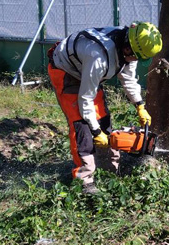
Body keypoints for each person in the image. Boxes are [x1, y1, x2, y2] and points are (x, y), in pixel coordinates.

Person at [47, 22, 163, 194]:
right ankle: (84, 182)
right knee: (82, 126)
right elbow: (85, 98)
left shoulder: (130, 48)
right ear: (127, 49)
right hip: (66, 71)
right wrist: (95, 132)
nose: (136, 61)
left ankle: (109, 170)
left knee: (103, 120)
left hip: (85, 70)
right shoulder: (99, 57)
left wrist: (140, 106)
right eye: (136, 57)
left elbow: (129, 79)